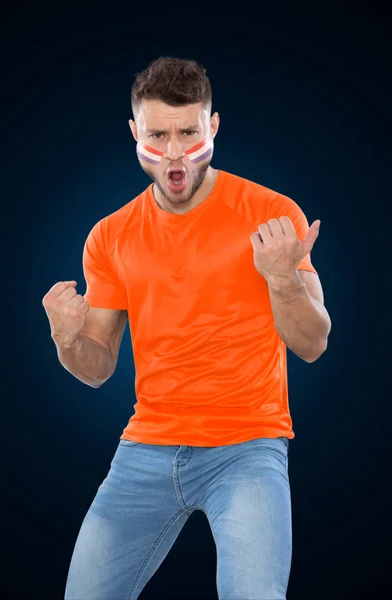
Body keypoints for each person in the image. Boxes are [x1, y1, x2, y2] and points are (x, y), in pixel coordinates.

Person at [42, 56, 331, 600]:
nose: (174, 152)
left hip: (247, 446)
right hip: (145, 448)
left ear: (212, 126)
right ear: (134, 132)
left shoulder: (271, 213)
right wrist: (65, 339)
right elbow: (97, 366)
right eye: (157, 134)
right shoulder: (109, 236)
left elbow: (314, 343)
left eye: (188, 133)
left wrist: (282, 280)